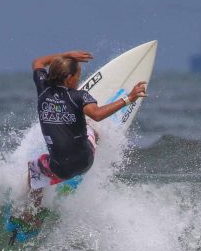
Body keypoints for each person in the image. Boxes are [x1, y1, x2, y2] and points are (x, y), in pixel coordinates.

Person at [28, 50, 147, 200]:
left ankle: (32, 210)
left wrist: (67, 55)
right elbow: (97, 114)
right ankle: (93, 146)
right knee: (91, 127)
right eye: (78, 75)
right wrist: (129, 98)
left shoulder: (43, 88)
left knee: (34, 168)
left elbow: (38, 62)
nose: (79, 79)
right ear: (70, 78)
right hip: (84, 162)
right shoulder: (79, 96)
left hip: (58, 168)